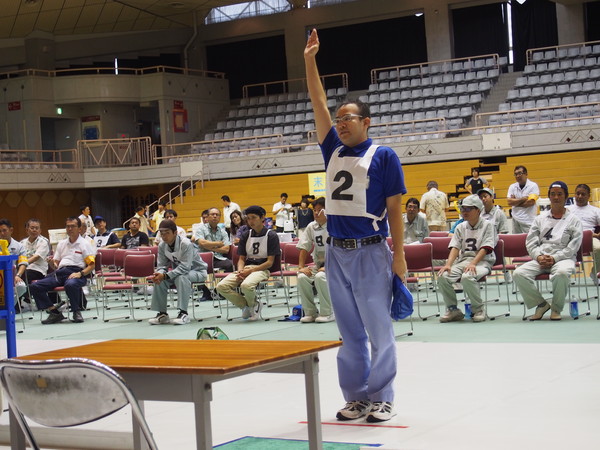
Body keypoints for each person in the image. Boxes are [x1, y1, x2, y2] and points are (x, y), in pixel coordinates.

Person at [305, 29, 406, 423]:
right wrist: (310, 59)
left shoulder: (384, 156)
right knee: (348, 333)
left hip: (370, 250)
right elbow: (317, 101)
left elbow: (395, 210)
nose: (340, 124)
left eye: (347, 118)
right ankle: (357, 397)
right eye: (338, 119)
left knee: (379, 330)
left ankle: (382, 395)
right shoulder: (332, 149)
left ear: (366, 121)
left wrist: (398, 257)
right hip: (336, 252)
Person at [513, 182, 583, 320]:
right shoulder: (540, 219)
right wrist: (539, 257)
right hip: (542, 258)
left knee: (561, 273)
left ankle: (556, 309)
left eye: (559, 194)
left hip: (563, 258)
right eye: (553, 194)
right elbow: (531, 242)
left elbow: (573, 246)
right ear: (549, 197)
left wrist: (555, 258)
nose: (556, 197)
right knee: (518, 273)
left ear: (566, 196)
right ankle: (541, 304)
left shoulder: (574, 220)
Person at [437, 195, 496, 323]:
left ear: (478, 210)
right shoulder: (460, 227)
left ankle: (478, 309)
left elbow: (486, 248)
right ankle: (453, 309)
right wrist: (448, 265)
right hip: (463, 261)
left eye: (468, 209)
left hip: (483, 261)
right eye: (462, 208)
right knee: (443, 276)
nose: (464, 212)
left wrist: (473, 263)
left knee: (467, 277)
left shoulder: (488, 225)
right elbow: (455, 247)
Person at [216, 205, 280, 321]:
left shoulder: (271, 235)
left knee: (246, 286)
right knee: (221, 286)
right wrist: (240, 270)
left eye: (254, 218)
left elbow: (270, 262)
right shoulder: (246, 235)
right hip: (247, 268)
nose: (251, 221)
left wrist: (250, 271)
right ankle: (249, 305)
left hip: (262, 269)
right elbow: (241, 259)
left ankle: (251, 307)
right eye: (248, 218)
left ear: (262, 218)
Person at [29, 217, 95, 324]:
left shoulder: (85, 244)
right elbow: (56, 265)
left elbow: (91, 265)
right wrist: (52, 263)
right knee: (35, 286)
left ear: (79, 229)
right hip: (60, 273)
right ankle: (54, 312)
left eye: (73, 226)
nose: (70, 229)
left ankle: (76, 311)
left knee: (70, 284)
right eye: (67, 226)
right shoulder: (62, 243)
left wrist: (80, 273)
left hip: (76, 272)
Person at [149, 219, 208, 325]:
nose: (164, 236)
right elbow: (162, 265)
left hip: (197, 271)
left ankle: (183, 313)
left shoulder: (185, 243)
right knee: (160, 280)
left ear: (175, 233)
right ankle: (162, 314)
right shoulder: (162, 246)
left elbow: (185, 267)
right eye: (162, 233)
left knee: (182, 277)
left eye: (167, 233)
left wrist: (165, 275)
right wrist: (160, 274)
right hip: (178, 273)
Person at [296, 197, 334, 323]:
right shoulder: (311, 226)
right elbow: (304, 247)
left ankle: (328, 312)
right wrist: (301, 267)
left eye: (319, 210)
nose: (316, 213)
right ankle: (310, 312)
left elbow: (341, 250)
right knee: (302, 277)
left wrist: (328, 266)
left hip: (336, 265)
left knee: (320, 277)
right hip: (319, 266)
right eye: (314, 210)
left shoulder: (334, 225)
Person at [15, 219, 51, 312]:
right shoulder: (22, 243)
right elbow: (17, 257)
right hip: (24, 269)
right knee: (11, 276)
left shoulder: (43, 242)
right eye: (32, 228)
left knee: (22, 276)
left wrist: (23, 264)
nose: (34, 230)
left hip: (38, 270)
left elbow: (35, 257)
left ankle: (17, 304)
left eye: (36, 228)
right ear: (27, 229)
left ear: (40, 230)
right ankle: (18, 303)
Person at [567, 184, 600, 284]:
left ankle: (595, 272)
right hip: (570, 238)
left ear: (588, 196)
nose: (580, 196)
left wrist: (597, 235)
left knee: (599, 248)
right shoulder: (567, 210)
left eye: (583, 194)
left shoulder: (596, 211)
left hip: (589, 238)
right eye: (578, 194)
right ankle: (563, 276)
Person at [193, 207, 234, 272]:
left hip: (218, 258)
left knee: (230, 264)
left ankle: (224, 279)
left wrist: (210, 247)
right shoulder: (200, 229)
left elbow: (226, 249)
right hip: (203, 259)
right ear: (208, 217)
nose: (215, 216)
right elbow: (202, 243)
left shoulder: (223, 232)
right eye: (212, 214)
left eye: (217, 215)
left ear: (219, 218)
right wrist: (218, 244)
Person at [507, 165, 540, 233]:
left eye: (520, 173)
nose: (517, 176)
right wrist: (523, 199)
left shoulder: (533, 186)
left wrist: (515, 203)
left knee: (529, 239)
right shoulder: (512, 186)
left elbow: (530, 203)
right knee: (516, 239)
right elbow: (509, 202)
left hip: (528, 220)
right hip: (515, 220)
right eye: (515, 174)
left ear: (526, 174)